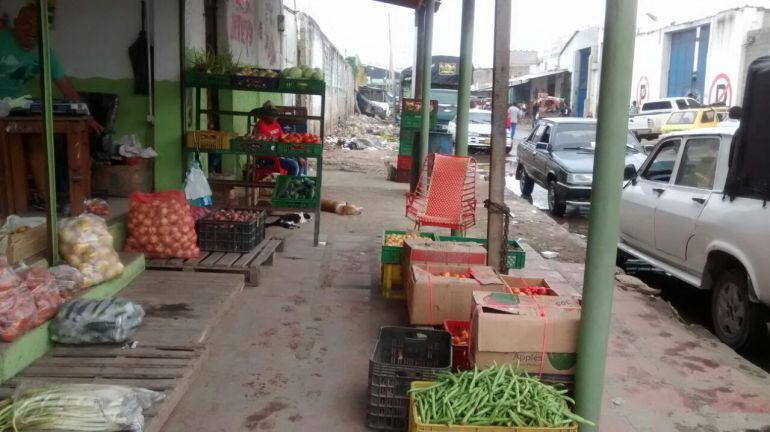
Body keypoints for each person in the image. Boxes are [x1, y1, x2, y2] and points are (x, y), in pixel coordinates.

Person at [0, 4, 102, 209]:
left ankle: (46, 200)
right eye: (27, 24)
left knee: (36, 142)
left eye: (37, 27)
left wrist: (86, 116)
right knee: (7, 147)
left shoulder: (45, 52)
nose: (31, 31)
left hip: (20, 106)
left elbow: (65, 86)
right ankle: (11, 203)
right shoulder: (2, 40)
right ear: (17, 23)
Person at [252, 101, 300, 176]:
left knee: (300, 161)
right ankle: (286, 186)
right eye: (272, 114)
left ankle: (292, 184)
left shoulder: (275, 124)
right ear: (265, 115)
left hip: (279, 153)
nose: (275, 117)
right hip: (267, 157)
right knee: (294, 165)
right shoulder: (260, 126)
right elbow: (263, 145)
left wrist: (297, 156)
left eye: (276, 115)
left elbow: (283, 138)